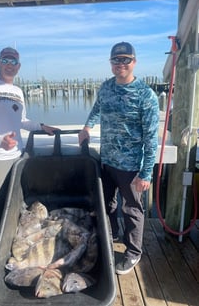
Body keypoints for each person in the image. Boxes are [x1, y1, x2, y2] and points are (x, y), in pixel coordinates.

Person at [78, 42, 159, 275]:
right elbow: (96, 108)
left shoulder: (146, 96)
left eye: (125, 60)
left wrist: (146, 173)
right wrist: (87, 127)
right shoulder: (106, 88)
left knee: (132, 209)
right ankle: (111, 234)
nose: (120, 64)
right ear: (111, 63)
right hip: (107, 161)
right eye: (116, 60)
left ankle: (133, 252)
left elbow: (151, 138)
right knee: (108, 204)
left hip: (131, 166)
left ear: (134, 62)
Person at [0, 47, 57, 250]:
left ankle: (11, 248)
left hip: (17, 158)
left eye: (14, 61)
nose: (10, 65)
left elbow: (22, 120)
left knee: (16, 205)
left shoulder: (18, 91)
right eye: (6, 60)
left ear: (18, 66)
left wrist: (42, 126)